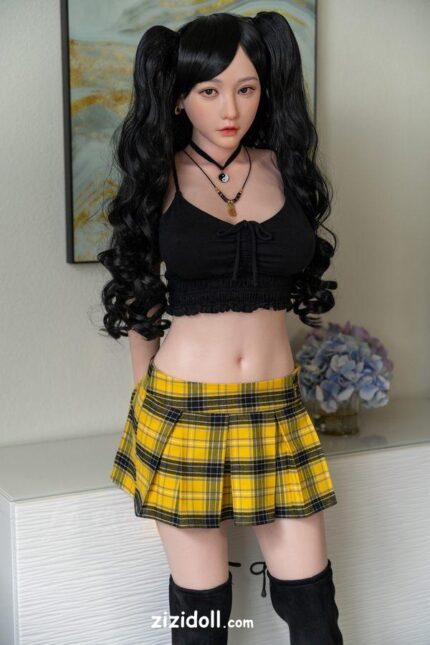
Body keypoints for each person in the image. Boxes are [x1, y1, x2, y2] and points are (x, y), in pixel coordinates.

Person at [99, 11, 343, 644]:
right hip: (183, 411)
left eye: (246, 87)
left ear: (265, 91)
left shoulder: (286, 170)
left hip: (276, 410)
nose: (230, 108)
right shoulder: (159, 177)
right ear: (180, 97)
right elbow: (140, 294)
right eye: (209, 90)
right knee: (203, 617)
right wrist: (141, 399)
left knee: (314, 615)